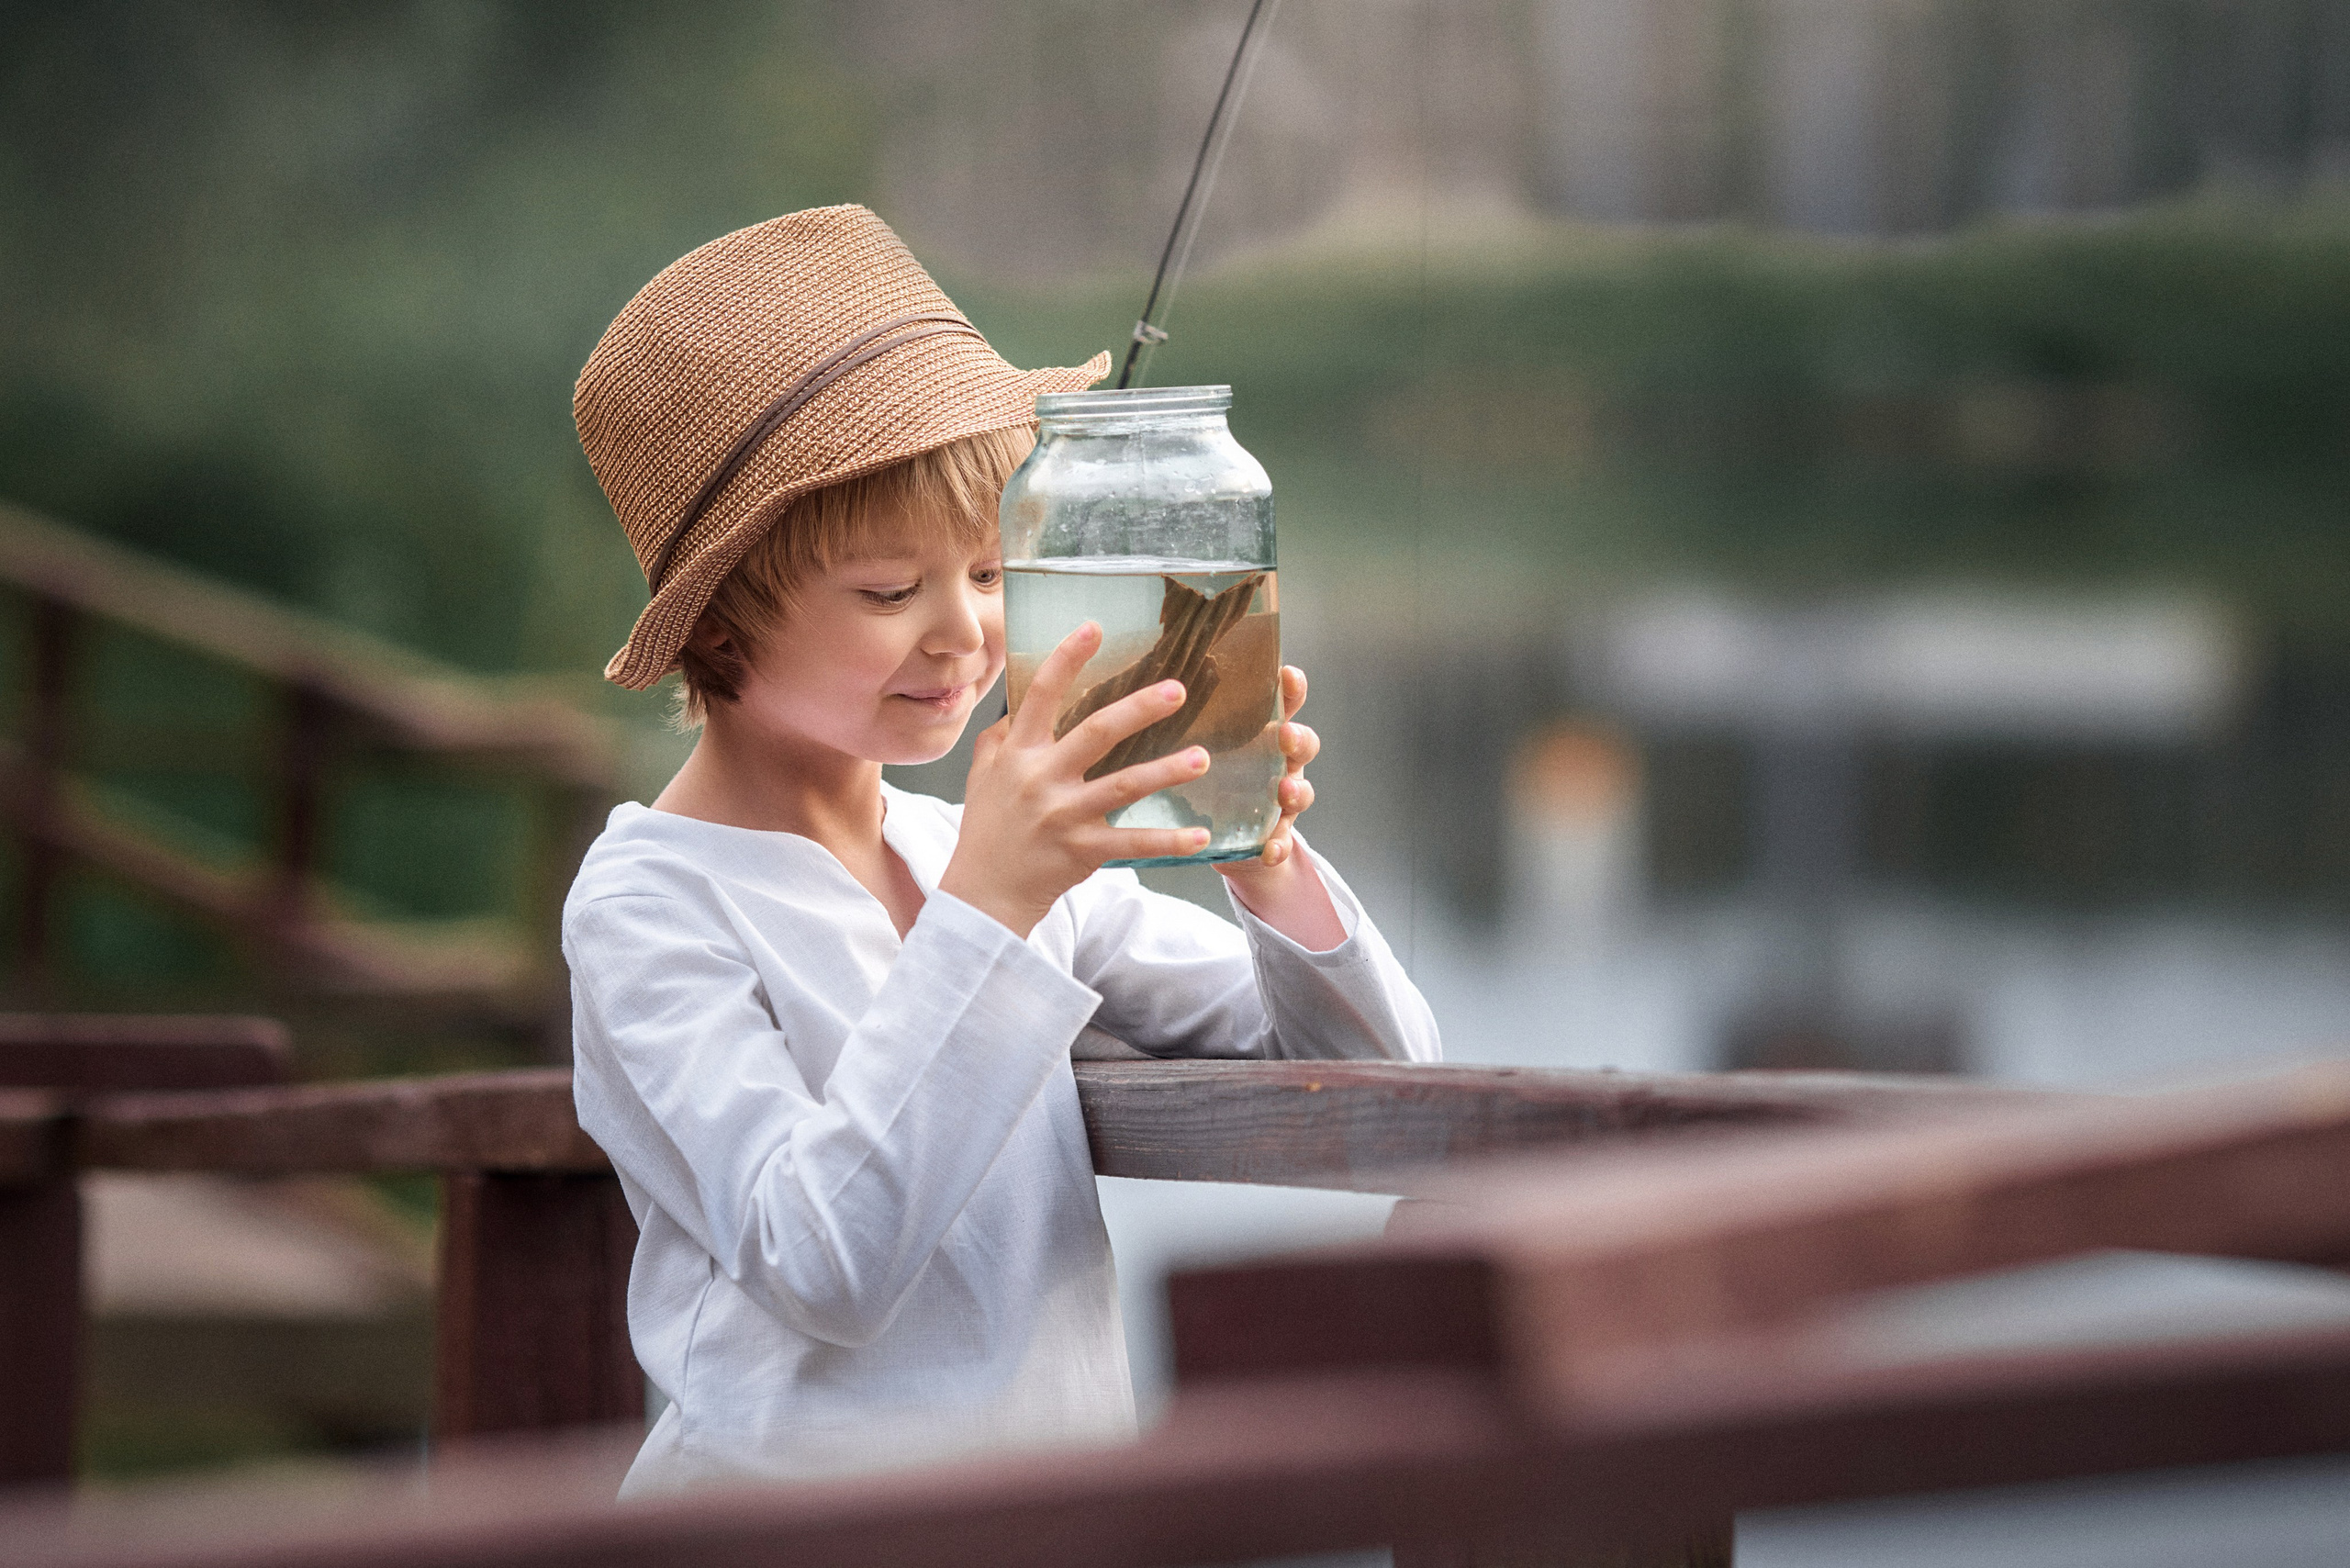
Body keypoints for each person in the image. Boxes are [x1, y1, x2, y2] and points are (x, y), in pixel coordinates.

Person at [564, 204, 1440, 1496]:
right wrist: (992, 900)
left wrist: (1258, 850)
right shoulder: (650, 907)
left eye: (986, 571)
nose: (962, 636)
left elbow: (1380, 1088)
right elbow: (824, 1260)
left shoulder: (979, 854)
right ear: (717, 623)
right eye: (886, 590)